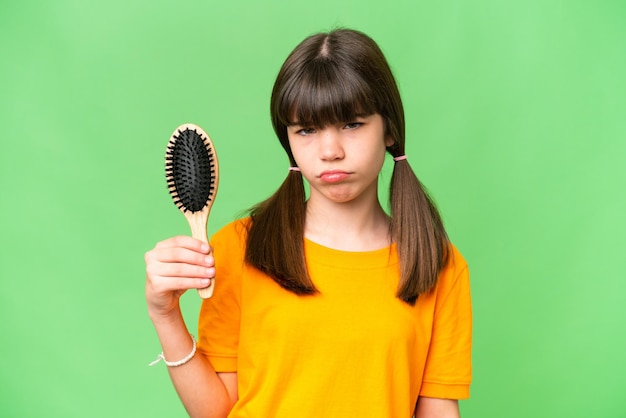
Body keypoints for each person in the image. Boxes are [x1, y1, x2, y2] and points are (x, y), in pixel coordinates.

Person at [145, 28, 472, 418]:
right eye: (307, 130)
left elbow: (437, 412)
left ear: (389, 129)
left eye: (352, 124)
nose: (330, 151)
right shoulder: (239, 248)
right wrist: (164, 315)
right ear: (289, 141)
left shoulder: (438, 264)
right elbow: (215, 411)